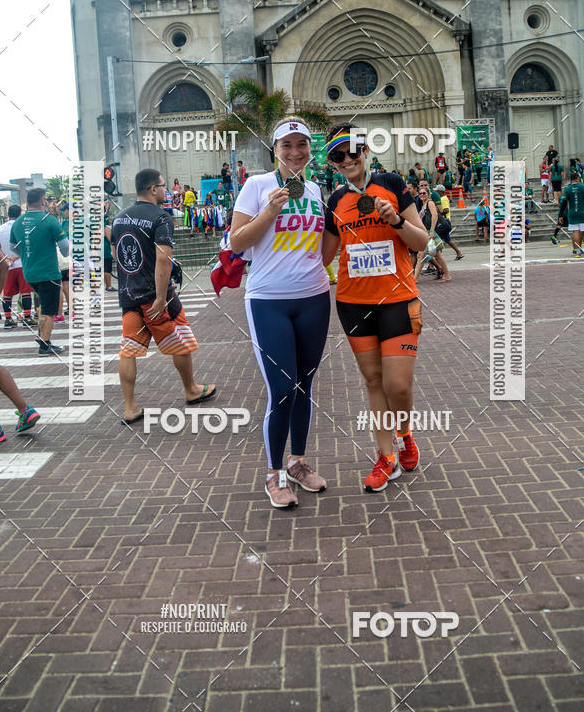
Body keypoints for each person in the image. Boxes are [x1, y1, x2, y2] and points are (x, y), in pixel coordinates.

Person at [230, 117, 330, 509]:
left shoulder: (315, 189)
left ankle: (298, 463)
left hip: (314, 297)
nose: (295, 152)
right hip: (268, 300)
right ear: (275, 149)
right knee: (283, 388)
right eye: (286, 145)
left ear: (309, 149)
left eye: (301, 144)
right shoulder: (256, 186)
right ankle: (274, 475)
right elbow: (237, 243)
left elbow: (321, 246)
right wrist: (269, 212)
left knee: (305, 385)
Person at [321, 125, 428, 493]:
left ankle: (405, 433)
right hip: (354, 303)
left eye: (353, 151)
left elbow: (421, 241)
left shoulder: (392, 184)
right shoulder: (335, 201)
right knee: (373, 381)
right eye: (338, 155)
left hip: (397, 300)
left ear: (365, 151)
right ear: (332, 162)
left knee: (397, 385)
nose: (347, 159)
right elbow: (324, 256)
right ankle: (386, 456)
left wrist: (395, 220)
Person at [111, 169, 215, 424]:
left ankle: (130, 407)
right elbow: (163, 258)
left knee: (128, 350)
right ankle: (191, 389)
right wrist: (160, 298)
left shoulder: (119, 218)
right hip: (156, 296)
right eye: (163, 186)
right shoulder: (161, 217)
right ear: (153, 189)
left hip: (129, 297)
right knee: (180, 340)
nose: (166, 190)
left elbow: (117, 254)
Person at [10, 188, 69, 356]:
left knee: (43, 304)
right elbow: (65, 249)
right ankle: (45, 345)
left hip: (29, 272)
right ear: (43, 201)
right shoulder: (49, 220)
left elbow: (13, 248)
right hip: (48, 272)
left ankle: (42, 335)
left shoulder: (17, 222)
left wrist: (29, 254)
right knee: (49, 309)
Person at [0, 205, 36, 328]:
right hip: (21, 264)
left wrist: (6, 259)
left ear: (8, 213)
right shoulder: (22, 227)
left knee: (7, 294)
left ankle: (8, 319)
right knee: (25, 292)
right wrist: (14, 257)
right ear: (20, 214)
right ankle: (27, 318)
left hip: (7, 267)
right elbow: (26, 245)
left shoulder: (0, 229)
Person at [415, 184, 452, 282]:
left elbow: (435, 215)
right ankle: (446, 275)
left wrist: (432, 230)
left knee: (424, 255)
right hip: (426, 232)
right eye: (420, 193)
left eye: (424, 193)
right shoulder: (423, 205)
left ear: (428, 194)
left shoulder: (430, 203)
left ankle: (415, 279)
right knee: (432, 255)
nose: (422, 195)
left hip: (431, 232)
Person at [558, 171, 584, 256]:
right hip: (583, 212)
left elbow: (563, 202)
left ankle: (577, 251)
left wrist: (560, 215)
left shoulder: (567, 189)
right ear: (578, 178)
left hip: (572, 213)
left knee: (575, 231)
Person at [434, 185, 463, 259]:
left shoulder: (443, 199)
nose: (436, 192)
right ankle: (458, 252)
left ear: (440, 191)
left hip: (443, 222)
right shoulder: (442, 198)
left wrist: (437, 212)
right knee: (446, 239)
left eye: (437, 191)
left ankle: (439, 256)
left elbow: (446, 210)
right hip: (443, 222)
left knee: (440, 239)